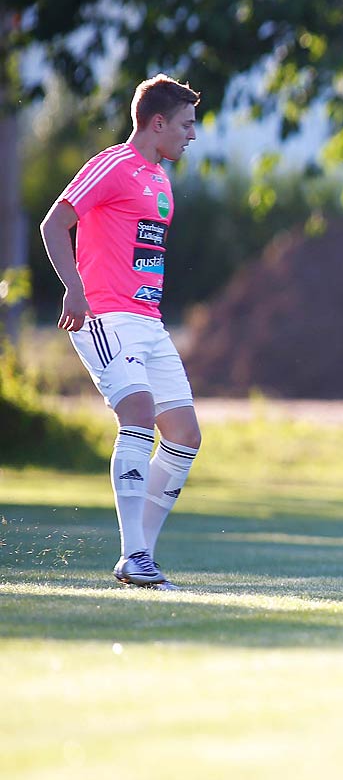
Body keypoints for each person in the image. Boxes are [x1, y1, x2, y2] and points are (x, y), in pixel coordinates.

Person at [39, 75, 202, 590]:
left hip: (149, 324)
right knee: (135, 414)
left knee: (184, 435)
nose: (191, 135)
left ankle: (141, 558)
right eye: (185, 125)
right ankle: (134, 556)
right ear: (157, 123)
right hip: (105, 317)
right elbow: (53, 223)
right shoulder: (112, 165)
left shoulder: (160, 179)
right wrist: (74, 289)